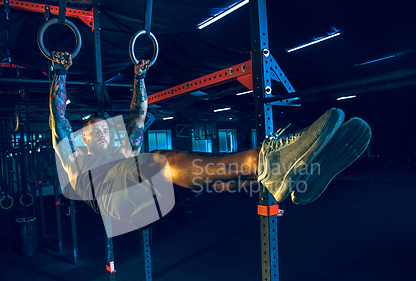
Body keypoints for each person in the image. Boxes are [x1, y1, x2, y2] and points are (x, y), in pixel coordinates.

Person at [49, 51, 371, 233]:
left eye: (105, 127)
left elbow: (137, 114)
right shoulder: (76, 154)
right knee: (161, 160)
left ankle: (275, 180)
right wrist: (60, 73)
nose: (104, 131)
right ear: (84, 137)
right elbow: (59, 119)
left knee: (206, 180)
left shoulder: (123, 148)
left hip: (137, 199)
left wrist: (139, 78)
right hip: (108, 203)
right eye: (95, 129)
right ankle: (267, 159)